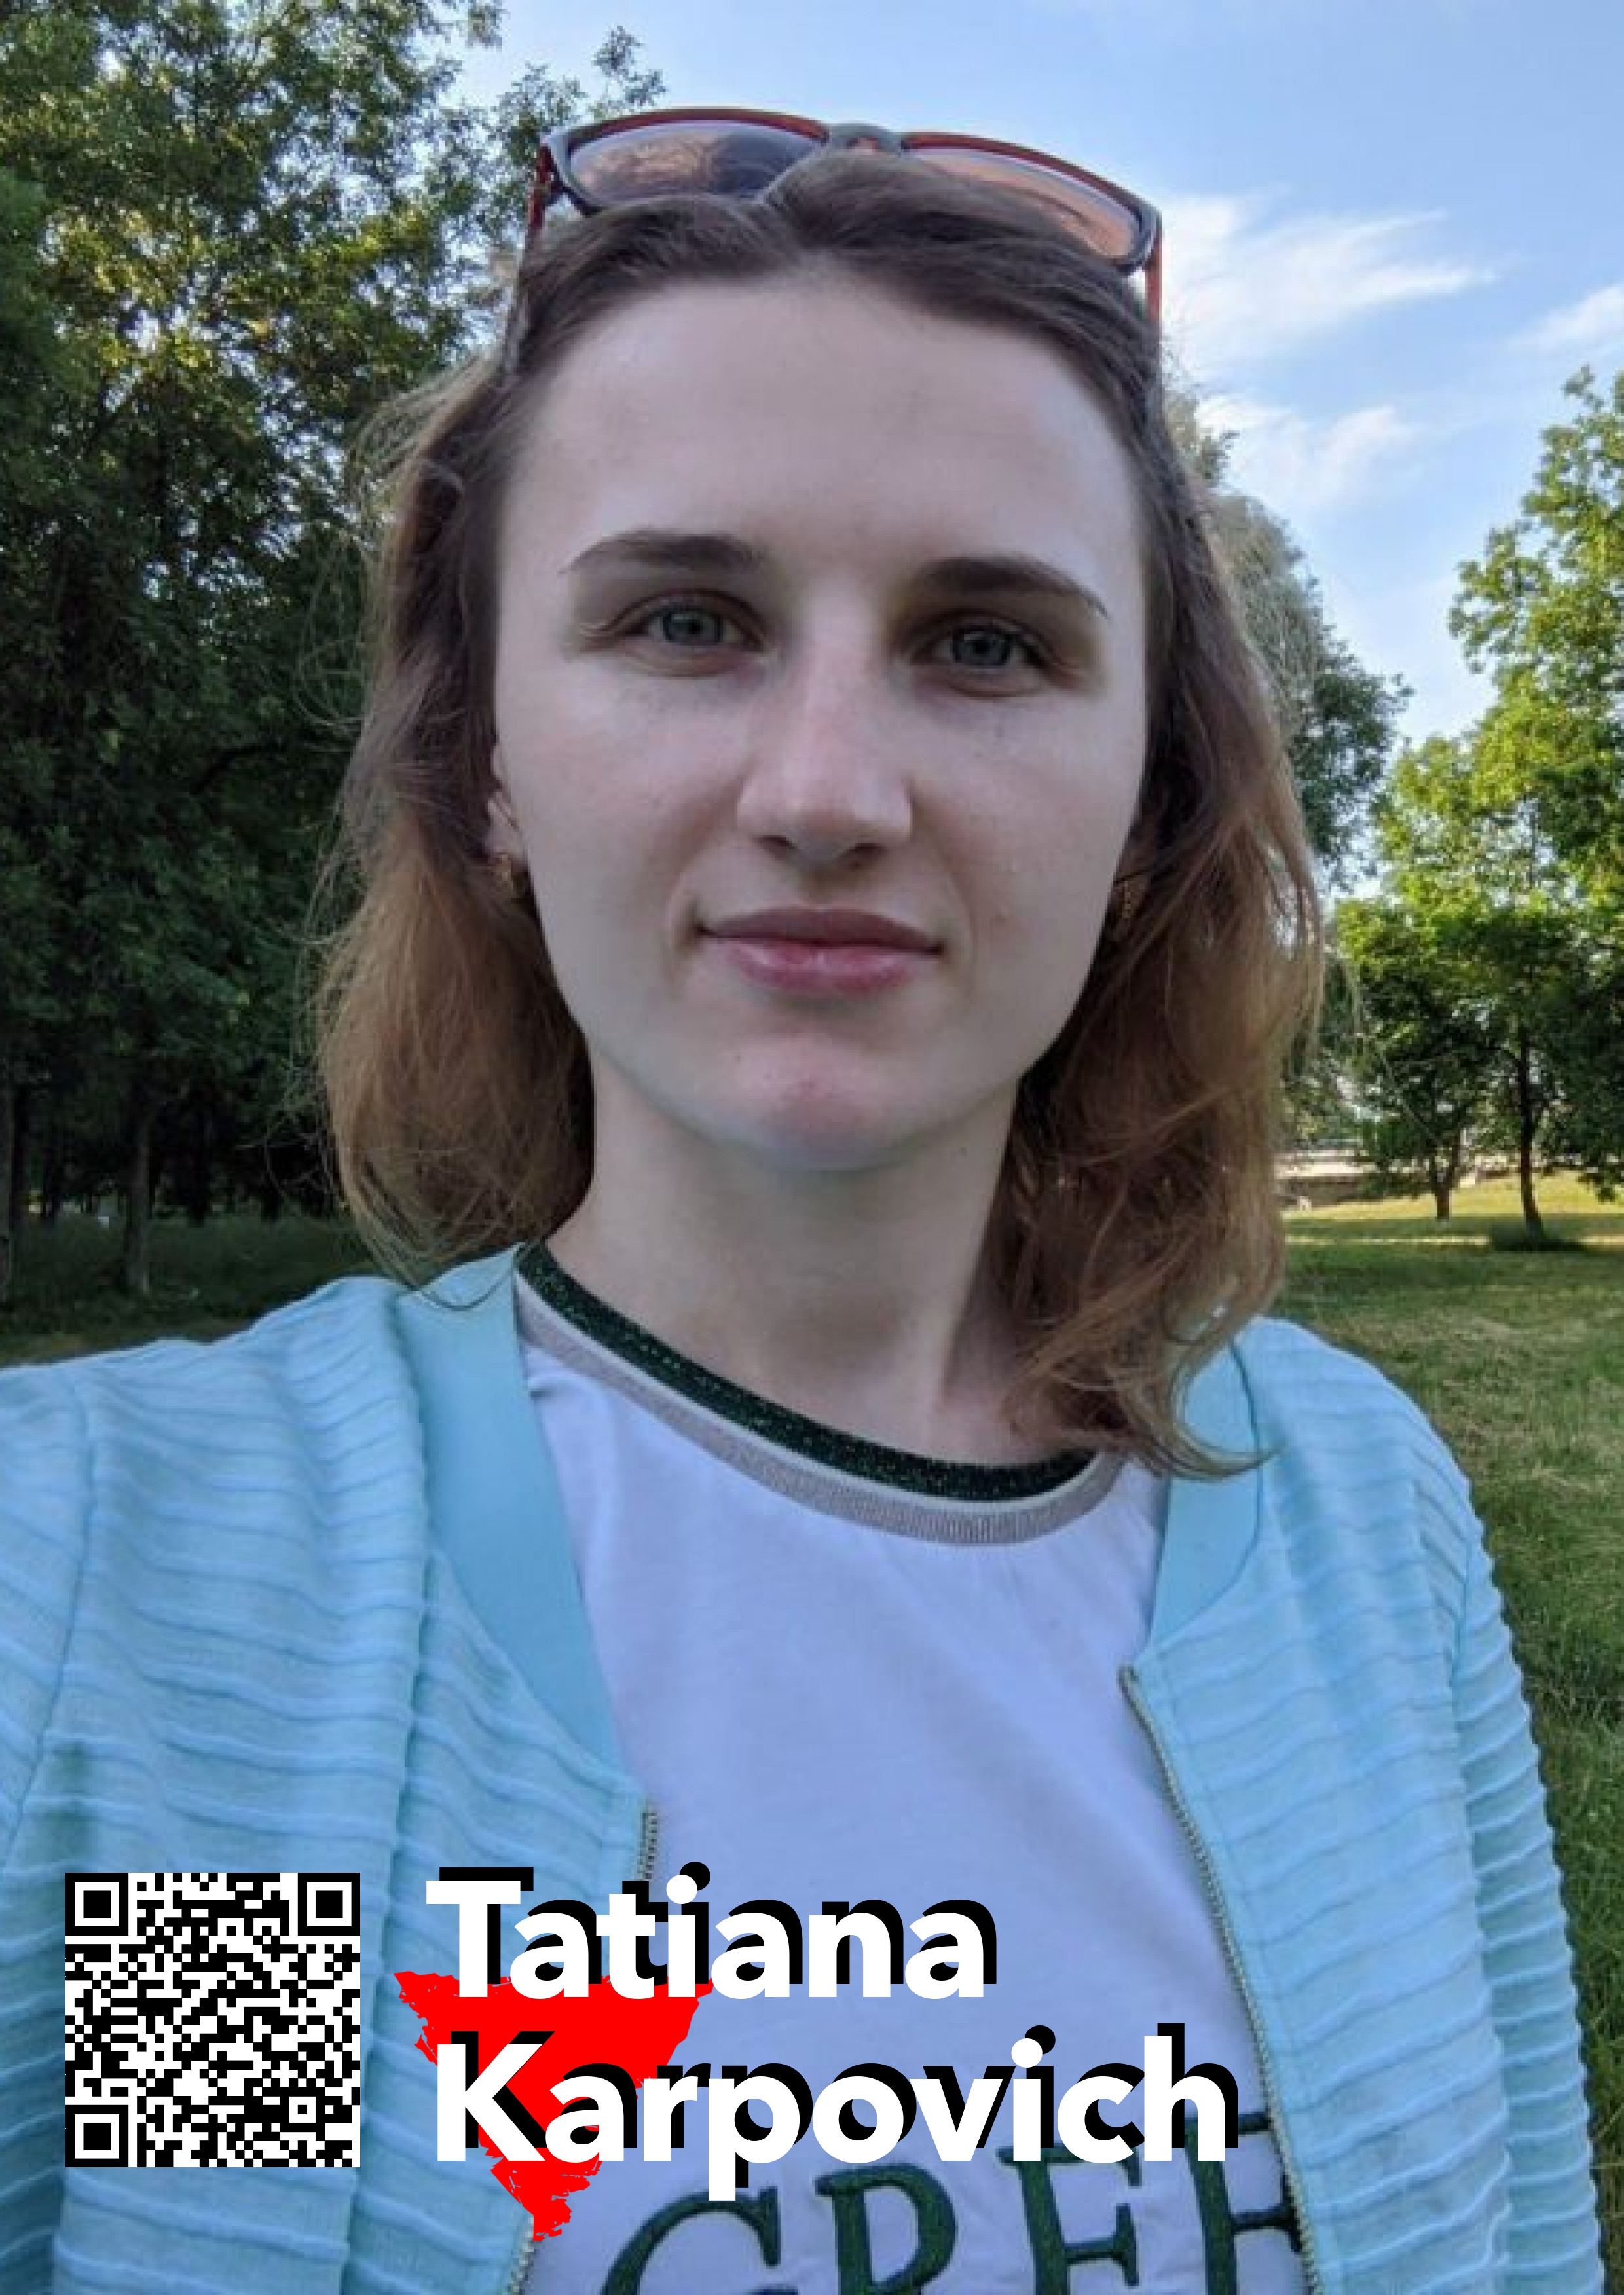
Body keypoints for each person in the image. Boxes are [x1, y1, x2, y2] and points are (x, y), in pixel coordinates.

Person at [0, 109, 1605, 2295]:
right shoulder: (190, 1599)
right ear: (488, 758)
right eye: (688, 619)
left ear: (1152, 795)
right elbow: (216, 2220)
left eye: (989, 644)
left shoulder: (1356, 1528)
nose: (832, 791)